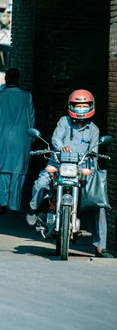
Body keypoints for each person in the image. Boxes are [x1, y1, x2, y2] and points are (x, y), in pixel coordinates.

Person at [26, 89, 114, 258]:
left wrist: (91, 169)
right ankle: (34, 209)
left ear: (90, 107)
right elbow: (56, 139)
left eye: (84, 106)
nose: (81, 109)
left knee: (99, 203)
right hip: (58, 163)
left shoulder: (93, 130)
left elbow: (94, 152)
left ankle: (100, 247)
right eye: (78, 105)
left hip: (80, 168)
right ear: (71, 106)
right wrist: (60, 148)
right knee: (41, 182)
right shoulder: (64, 122)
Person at [0, 67, 35, 215]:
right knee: (18, 173)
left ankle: (3, 202)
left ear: (6, 79)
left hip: (3, 138)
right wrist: (31, 138)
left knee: (2, 171)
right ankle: (14, 206)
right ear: (19, 79)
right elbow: (31, 119)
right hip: (23, 139)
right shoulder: (27, 96)